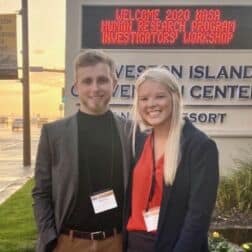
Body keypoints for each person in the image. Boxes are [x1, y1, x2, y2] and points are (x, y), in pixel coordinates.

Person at [32, 50, 132, 252]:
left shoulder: (131, 132)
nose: (95, 88)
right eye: (87, 81)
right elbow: (41, 193)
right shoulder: (53, 134)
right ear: (76, 87)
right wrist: (50, 237)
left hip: (116, 242)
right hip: (68, 242)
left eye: (102, 80)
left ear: (114, 83)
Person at [124, 67, 219, 252]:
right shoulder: (138, 140)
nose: (151, 104)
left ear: (174, 97)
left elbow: (198, 216)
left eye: (159, 96)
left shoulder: (199, 146)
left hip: (174, 245)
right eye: (144, 98)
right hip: (135, 244)